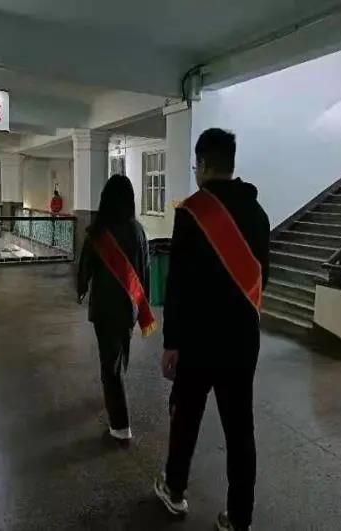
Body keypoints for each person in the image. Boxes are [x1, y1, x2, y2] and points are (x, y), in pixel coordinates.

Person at [154, 129, 270, 531]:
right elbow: (263, 279)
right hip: (242, 339)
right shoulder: (258, 214)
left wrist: (172, 342)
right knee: (240, 430)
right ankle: (239, 518)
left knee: (186, 417)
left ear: (203, 164)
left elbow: (178, 285)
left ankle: (174, 490)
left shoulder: (192, 211)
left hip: (198, 340)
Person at [77, 174, 153, 442]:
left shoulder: (98, 231)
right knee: (120, 356)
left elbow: (85, 267)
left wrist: (81, 288)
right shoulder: (138, 230)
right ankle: (113, 396)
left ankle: (120, 427)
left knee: (109, 365)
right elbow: (145, 269)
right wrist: (143, 303)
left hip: (104, 309)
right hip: (129, 308)